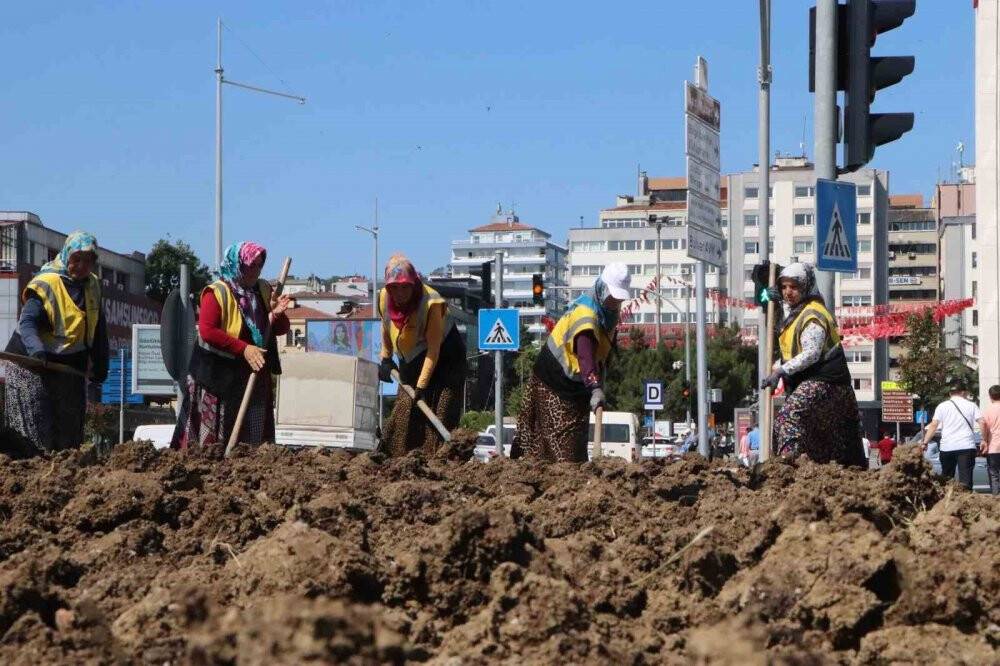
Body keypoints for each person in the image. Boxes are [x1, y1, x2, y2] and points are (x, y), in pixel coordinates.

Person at [172, 241, 290, 448]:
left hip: (253, 376)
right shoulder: (216, 292)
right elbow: (208, 331)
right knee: (216, 439)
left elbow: (278, 328)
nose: (255, 271)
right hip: (217, 377)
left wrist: (277, 313)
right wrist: (244, 349)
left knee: (253, 437)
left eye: (259, 266)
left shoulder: (262, 289)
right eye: (250, 265)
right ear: (237, 264)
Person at [3, 232, 109, 455]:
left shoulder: (93, 286)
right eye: (76, 259)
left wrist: (101, 364)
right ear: (66, 256)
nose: (81, 266)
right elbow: (28, 323)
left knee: (69, 440)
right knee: (36, 436)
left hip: (67, 366)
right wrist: (36, 350)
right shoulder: (46, 283)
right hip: (31, 364)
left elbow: (98, 328)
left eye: (88, 261)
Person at [513, 263, 630, 462]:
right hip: (554, 381)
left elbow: (602, 354)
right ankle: (548, 484)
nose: (614, 302)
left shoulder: (608, 316)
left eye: (619, 298)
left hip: (577, 386)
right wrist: (594, 386)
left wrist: (598, 383)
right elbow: (584, 354)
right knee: (560, 450)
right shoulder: (585, 314)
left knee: (576, 445)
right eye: (612, 297)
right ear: (601, 288)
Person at [760, 263, 866, 468]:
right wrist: (772, 304)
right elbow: (789, 345)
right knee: (825, 442)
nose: (788, 292)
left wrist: (781, 370)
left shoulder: (813, 315)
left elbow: (811, 353)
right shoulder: (797, 313)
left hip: (826, 382)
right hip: (820, 384)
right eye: (784, 287)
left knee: (789, 418)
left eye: (794, 287)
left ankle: (786, 467)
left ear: (806, 286)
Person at [377, 254, 466, 456]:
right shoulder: (384, 297)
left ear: (414, 284)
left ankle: (440, 458)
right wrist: (386, 357)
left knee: (441, 409)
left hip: (446, 356)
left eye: (405, 287)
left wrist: (421, 385)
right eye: (394, 288)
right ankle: (398, 456)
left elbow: (434, 350)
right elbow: (386, 327)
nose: (400, 293)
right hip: (412, 355)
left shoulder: (431, 303)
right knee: (405, 410)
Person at [921, 382, 983, 490]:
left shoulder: (942, 406)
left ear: (950, 393)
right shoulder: (971, 405)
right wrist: (985, 440)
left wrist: (925, 442)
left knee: (946, 479)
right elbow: (982, 422)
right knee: (966, 480)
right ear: (964, 392)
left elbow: (934, 425)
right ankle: (965, 503)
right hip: (966, 446)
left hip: (947, 447)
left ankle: (947, 503)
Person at [980, 384, 1000, 495]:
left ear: (990, 396)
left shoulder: (988, 410)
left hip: (994, 447)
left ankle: (997, 499)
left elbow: (983, 424)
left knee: (994, 474)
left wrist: (984, 440)